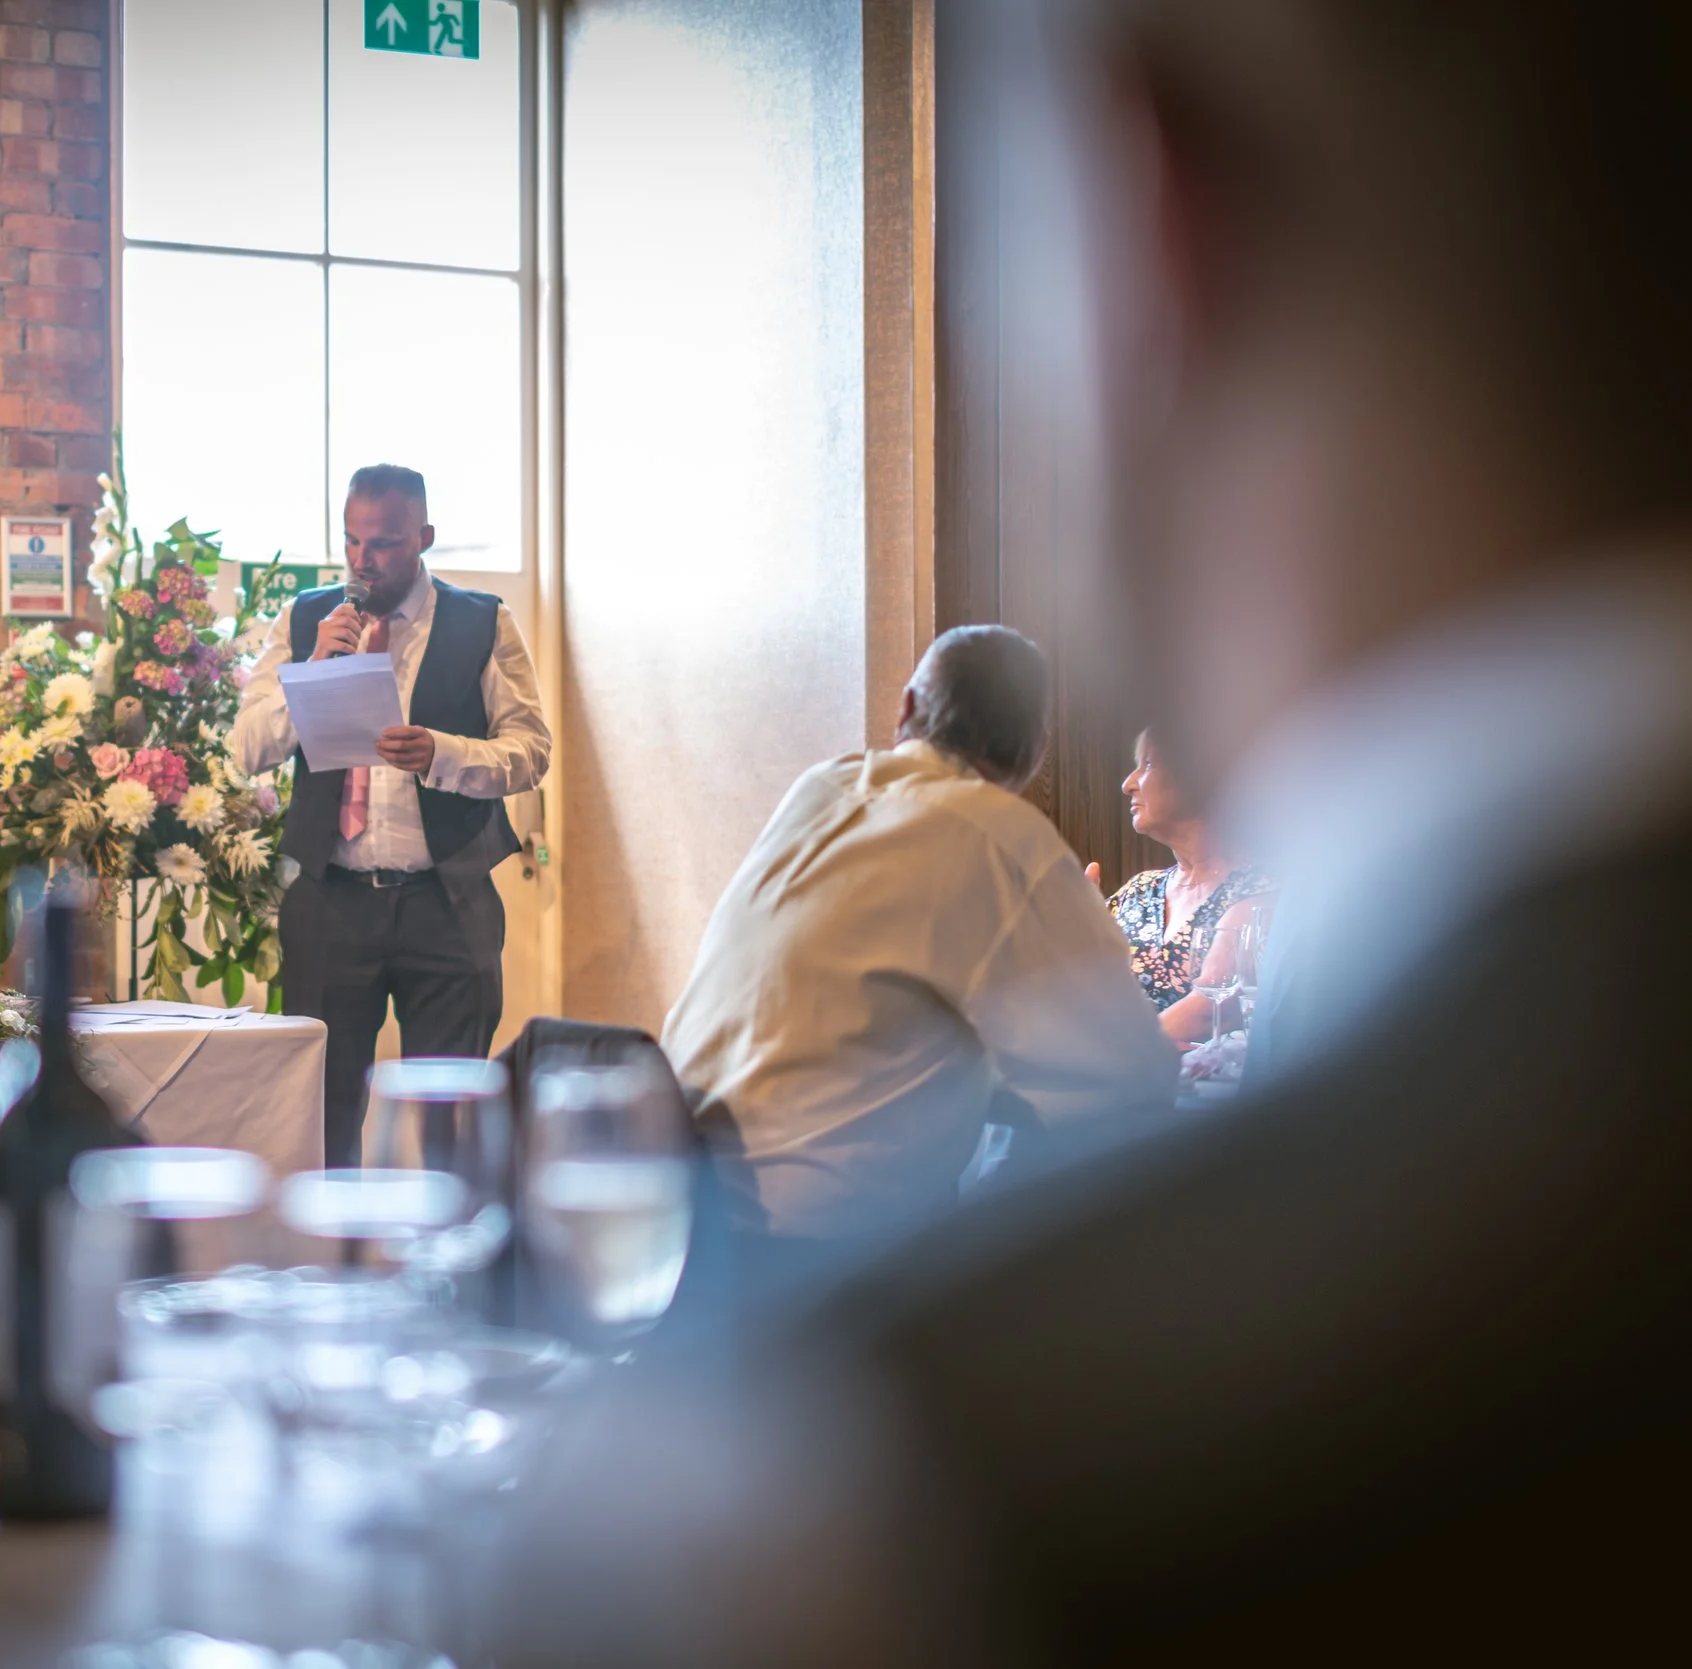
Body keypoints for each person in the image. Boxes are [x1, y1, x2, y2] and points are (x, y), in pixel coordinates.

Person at [497, 1, 1692, 1662]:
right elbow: (1113, 1086)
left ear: (1154, 212)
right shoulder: (991, 837)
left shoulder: (855, 1504)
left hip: (716, 1227)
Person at [661, 626, 1177, 1247]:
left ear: (906, 709)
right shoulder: (1000, 838)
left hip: (673, 1209)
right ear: (1037, 750)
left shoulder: (819, 789)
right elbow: (1136, 1081)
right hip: (814, 1259)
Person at [229, 464, 551, 1166]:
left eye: (383, 544)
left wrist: (443, 751)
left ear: (424, 538)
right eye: (351, 541)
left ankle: (445, 1264)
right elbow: (246, 748)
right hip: (330, 900)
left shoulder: (482, 621)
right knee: (323, 1110)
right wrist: (311, 668)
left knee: (449, 1118)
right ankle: (330, 1266)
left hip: (447, 900)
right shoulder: (305, 619)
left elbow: (530, 751)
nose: (362, 562)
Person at [1103, 728, 1273, 1043]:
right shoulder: (1138, 890)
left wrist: (1111, 1056)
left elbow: (1211, 1007)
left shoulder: (1261, 888)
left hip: (1202, 1086)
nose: (1128, 784)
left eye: (1148, 764)